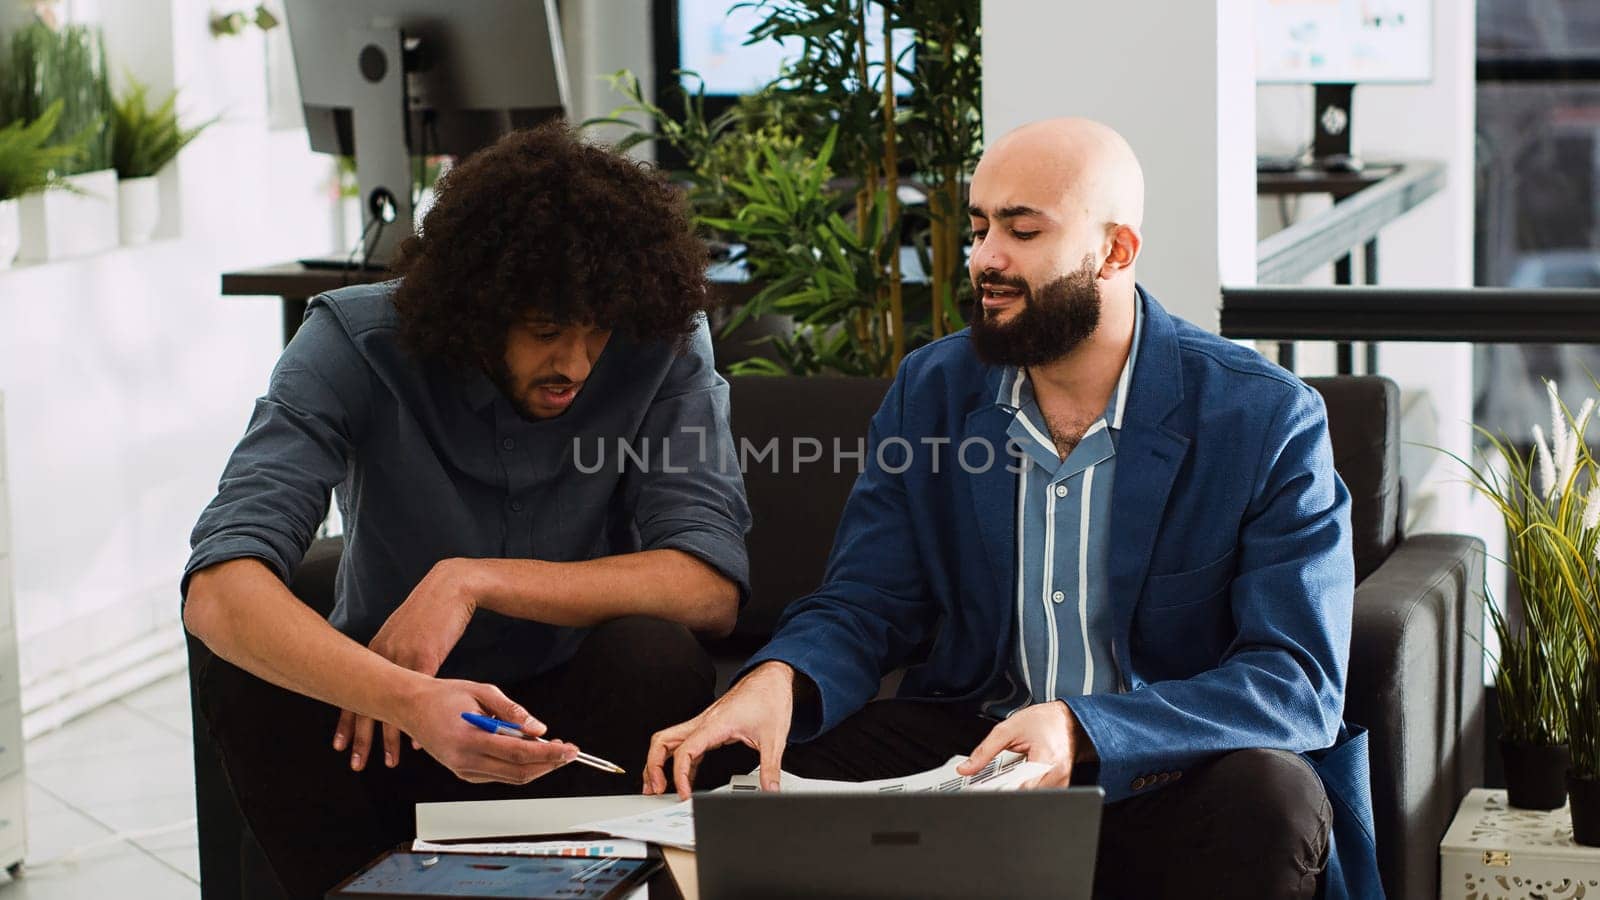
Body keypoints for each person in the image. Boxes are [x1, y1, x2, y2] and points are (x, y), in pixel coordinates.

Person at [644, 118, 1381, 899]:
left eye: (1022, 230)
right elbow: (867, 601)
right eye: (979, 226)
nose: (984, 258)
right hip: (977, 753)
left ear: (1116, 251)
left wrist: (1084, 729)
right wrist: (777, 681)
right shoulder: (934, 390)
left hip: (1169, 769)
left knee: (1273, 797)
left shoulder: (1263, 417)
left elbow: (1295, 680)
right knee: (746, 773)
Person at [183, 122, 751, 898]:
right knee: (248, 678)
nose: (577, 364)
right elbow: (218, 588)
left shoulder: (662, 339)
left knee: (656, 654)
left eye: (597, 333)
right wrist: (406, 699)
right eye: (547, 332)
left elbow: (709, 584)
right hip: (381, 726)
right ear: (476, 307)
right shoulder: (351, 344)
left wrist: (472, 580)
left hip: (567, 731)